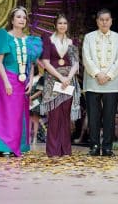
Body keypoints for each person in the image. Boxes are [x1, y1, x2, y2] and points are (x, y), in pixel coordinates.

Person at [0, 6, 42, 157]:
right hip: (6, 79)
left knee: (18, 114)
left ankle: (16, 145)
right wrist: (7, 82)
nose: (22, 20)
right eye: (18, 17)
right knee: (5, 113)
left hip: (22, 81)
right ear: (12, 20)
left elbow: (31, 63)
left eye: (24, 17)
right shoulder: (4, 36)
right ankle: (1, 145)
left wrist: (30, 80)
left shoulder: (30, 40)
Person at [82, 8, 118, 156]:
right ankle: (94, 146)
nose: (104, 22)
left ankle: (107, 147)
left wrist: (108, 75)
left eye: (107, 19)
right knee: (93, 116)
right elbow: (86, 58)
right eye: (101, 19)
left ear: (111, 21)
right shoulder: (89, 37)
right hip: (93, 81)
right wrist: (97, 73)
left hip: (112, 82)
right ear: (97, 21)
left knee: (109, 116)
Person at [41, 13, 81, 157]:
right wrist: (60, 77)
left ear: (67, 25)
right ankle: (53, 151)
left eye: (64, 23)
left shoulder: (72, 42)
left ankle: (65, 150)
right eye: (60, 23)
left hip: (68, 82)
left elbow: (76, 63)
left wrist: (68, 78)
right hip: (53, 81)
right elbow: (45, 62)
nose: (62, 26)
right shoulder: (48, 40)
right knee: (54, 117)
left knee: (65, 117)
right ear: (55, 25)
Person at [29, 64, 44, 144]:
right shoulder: (28, 78)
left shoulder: (40, 78)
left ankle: (34, 138)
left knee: (35, 120)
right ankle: (28, 137)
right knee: (29, 119)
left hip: (36, 101)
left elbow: (40, 91)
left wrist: (31, 98)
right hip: (28, 101)